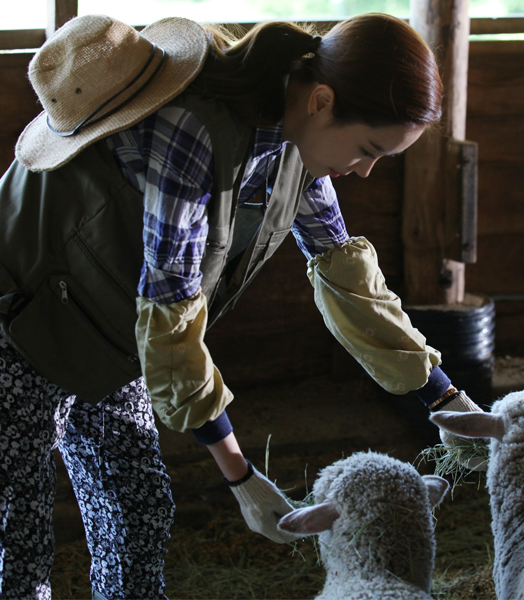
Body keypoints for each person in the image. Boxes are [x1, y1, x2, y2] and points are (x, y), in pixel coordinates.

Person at [0, 11, 483, 600]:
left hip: (108, 330)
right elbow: (172, 304)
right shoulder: (194, 128)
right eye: (367, 148)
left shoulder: (296, 149)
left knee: (138, 511)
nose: (365, 171)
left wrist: (446, 399)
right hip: (17, 323)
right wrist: (240, 474)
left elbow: (350, 281)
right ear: (322, 100)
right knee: (18, 536)